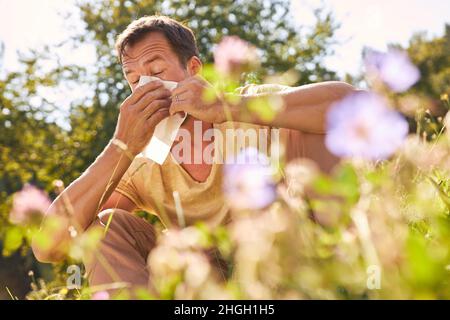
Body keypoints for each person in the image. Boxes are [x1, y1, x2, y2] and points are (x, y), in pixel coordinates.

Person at [31, 15, 356, 296]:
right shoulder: (141, 160)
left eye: (157, 70)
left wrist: (224, 107)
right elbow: (49, 246)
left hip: (280, 258)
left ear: (193, 68)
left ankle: (345, 275)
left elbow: (354, 106)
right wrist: (122, 145)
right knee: (103, 224)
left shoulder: (245, 107)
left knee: (310, 128)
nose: (147, 86)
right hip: (200, 281)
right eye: (134, 81)